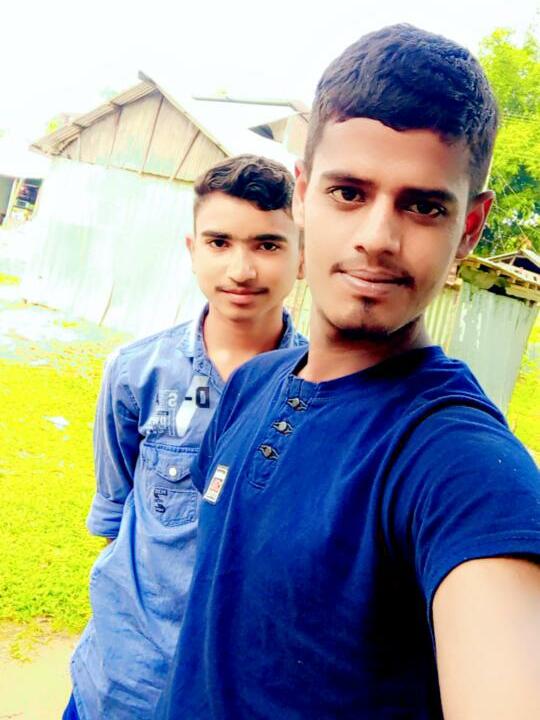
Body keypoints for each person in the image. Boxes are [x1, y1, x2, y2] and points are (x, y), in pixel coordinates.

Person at [157, 24, 540, 720]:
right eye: (349, 192)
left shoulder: (460, 465)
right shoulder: (254, 385)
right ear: (303, 195)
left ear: (470, 228)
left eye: (424, 206)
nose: (377, 238)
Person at [63, 154, 306, 720]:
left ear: (302, 257)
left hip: (239, 690)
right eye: (220, 242)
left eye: (268, 244)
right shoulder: (136, 373)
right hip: (124, 683)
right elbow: (115, 516)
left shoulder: (322, 394)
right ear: (192, 249)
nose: (241, 269)